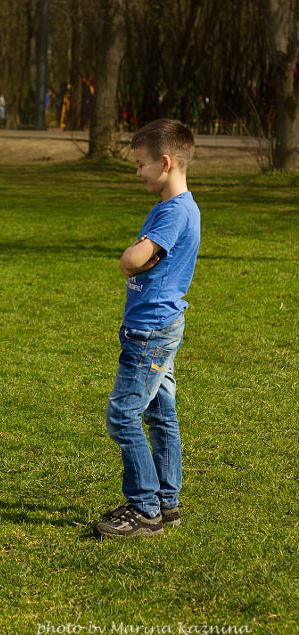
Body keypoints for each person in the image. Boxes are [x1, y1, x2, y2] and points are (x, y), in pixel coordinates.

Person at [94, 119, 201, 539]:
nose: (137, 172)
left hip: (150, 329)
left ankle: (145, 509)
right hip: (158, 324)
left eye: (141, 164)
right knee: (160, 413)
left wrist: (132, 254)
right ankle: (167, 502)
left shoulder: (174, 212)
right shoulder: (177, 208)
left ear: (166, 162)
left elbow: (132, 260)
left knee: (122, 416)